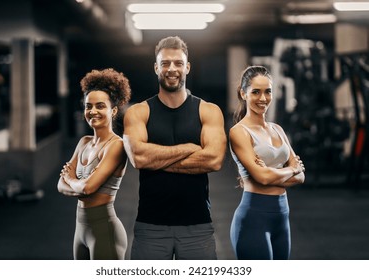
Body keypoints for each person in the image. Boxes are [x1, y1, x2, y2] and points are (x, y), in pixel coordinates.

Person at [123, 36, 227, 260]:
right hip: (150, 226)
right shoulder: (139, 112)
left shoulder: (208, 111)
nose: (172, 69)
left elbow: (214, 160)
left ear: (187, 67)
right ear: (156, 67)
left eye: (178, 63)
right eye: (165, 63)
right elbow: (139, 157)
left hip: (197, 226)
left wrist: (157, 160)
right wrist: (190, 148)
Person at [229, 65, 305, 260]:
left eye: (267, 92)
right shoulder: (239, 132)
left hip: (282, 218)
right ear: (243, 93)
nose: (263, 98)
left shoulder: (277, 129)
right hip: (253, 219)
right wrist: (291, 169)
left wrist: (272, 174)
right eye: (255, 92)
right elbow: (263, 177)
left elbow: (301, 177)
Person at [57, 68, 131, 260]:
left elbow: (88, 188)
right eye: (88, 106)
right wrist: (77, 186)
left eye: (100, 106)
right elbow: (60, 186)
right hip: (80, 229)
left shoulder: (116, 146)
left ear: (113, 111)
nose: (93, 111)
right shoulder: (84, 142)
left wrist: (70, 178)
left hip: (105, 231)